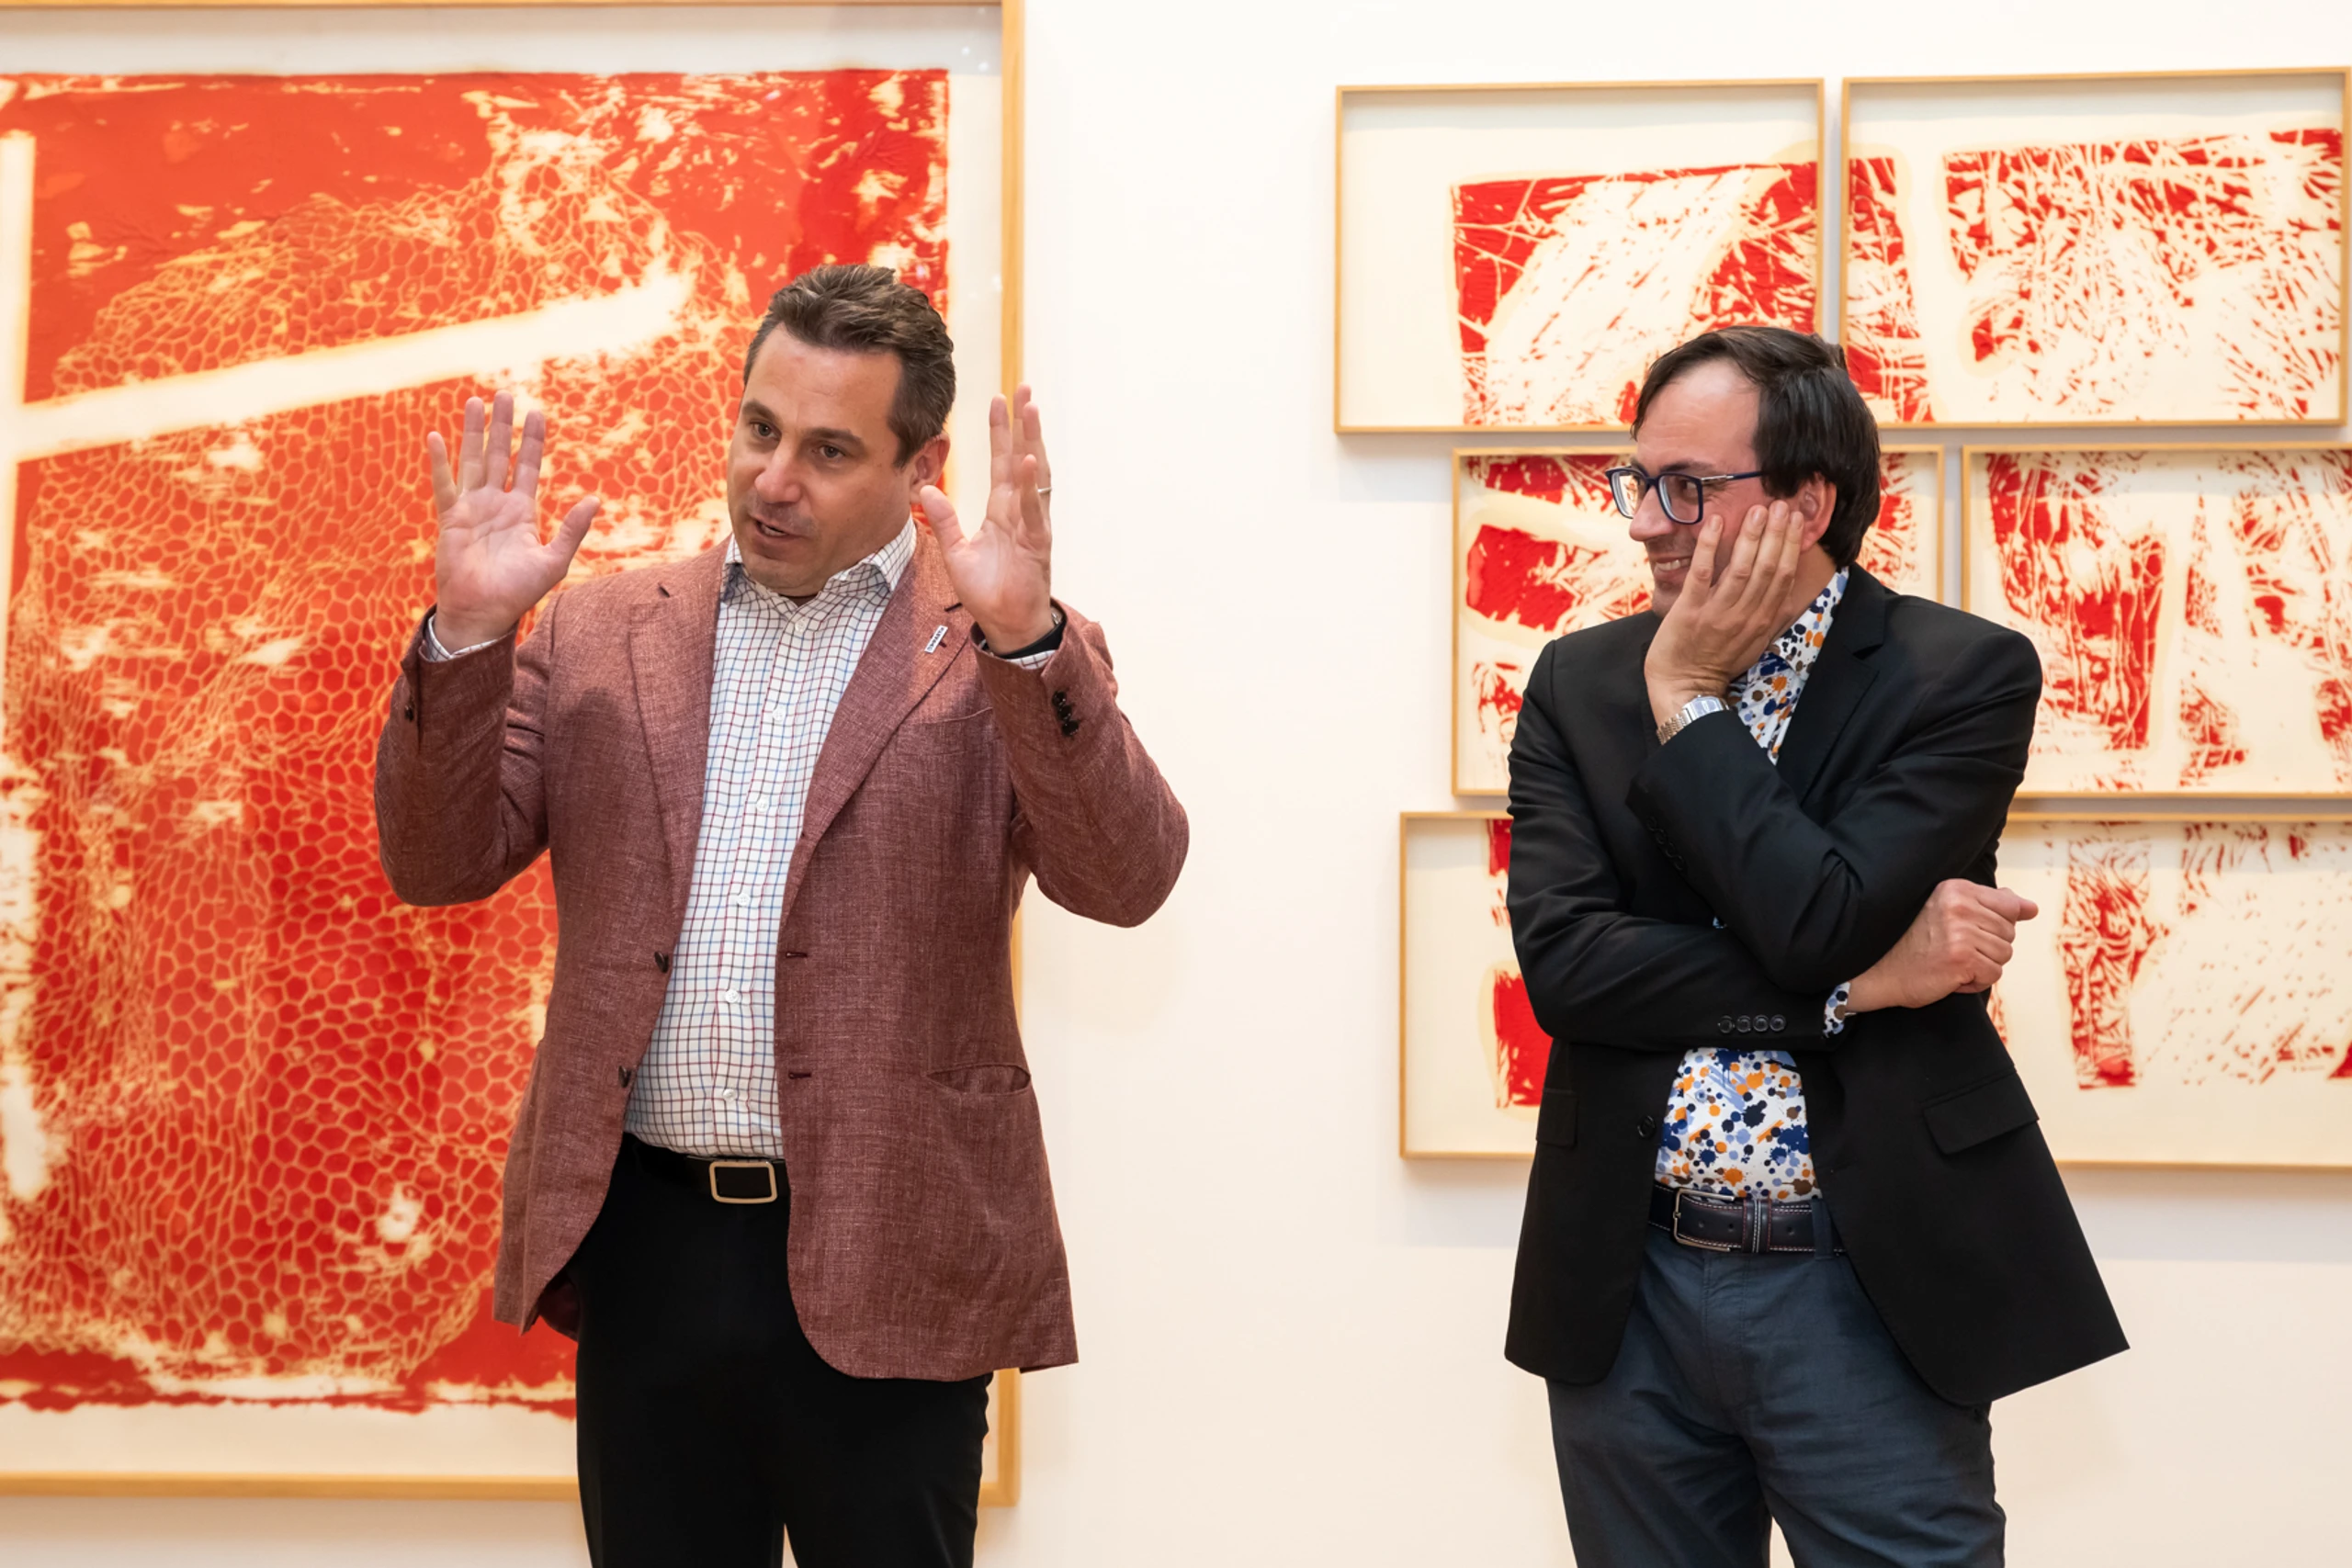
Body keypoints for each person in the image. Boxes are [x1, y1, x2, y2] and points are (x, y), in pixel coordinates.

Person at [373, 264, 1186, 1568]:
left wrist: (1030, 641)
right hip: (649, 1249)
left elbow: (1125, 878)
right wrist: (467, 635)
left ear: (920, 467)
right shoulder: (596, 635)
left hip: (891, 1246)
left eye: (829, 450)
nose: (773, 479)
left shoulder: (1001, 645)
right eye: (760, 428)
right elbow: (434, 857)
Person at [1502, 324, 2126, 1567]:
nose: (1646, 522)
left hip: (1864, 1280)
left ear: (1807, 503)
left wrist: (1689, 702)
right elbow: (1570, 969)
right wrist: (1868, 984)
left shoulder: (1958, 675)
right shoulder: (1577, 682)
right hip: (1629, 1280)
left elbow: (1814, 918)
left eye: (1688, 487)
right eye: (1637, 482)